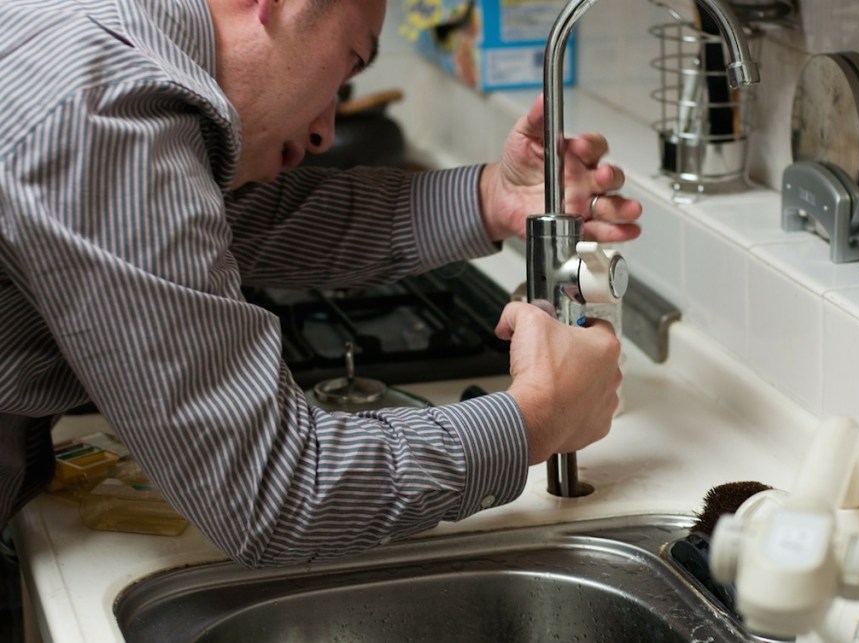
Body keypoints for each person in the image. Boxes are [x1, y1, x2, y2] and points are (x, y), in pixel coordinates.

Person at [0, 0, 642, 569]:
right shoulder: (106, 109)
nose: (324, 131)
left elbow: (249, 220)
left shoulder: (105, 40)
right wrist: (534, 419)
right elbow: (272, 492)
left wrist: (492, 197)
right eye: (349, 61)